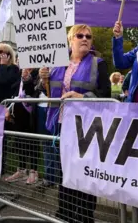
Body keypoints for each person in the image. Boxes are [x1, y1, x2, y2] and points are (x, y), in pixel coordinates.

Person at [39, 24, 110, 223]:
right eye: (80, 35)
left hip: (86, 127)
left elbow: (105, 93)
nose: (85, 38)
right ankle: (65, 214)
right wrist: (38, 78)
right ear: (71, 39)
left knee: (85, 173)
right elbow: (44, 90)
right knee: (64, 172)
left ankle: (85, 216)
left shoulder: (99, 63)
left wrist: (81, 96)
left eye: (89, 36)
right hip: (59, 124)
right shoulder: (56, 63)